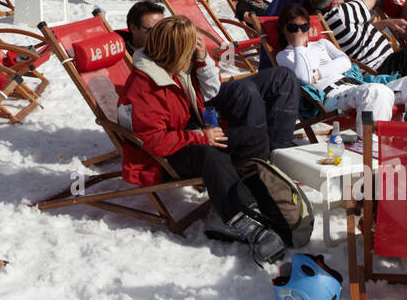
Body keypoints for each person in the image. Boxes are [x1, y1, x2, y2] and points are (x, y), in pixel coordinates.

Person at [121, 15, 285, 263]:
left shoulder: (176, 69)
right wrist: (198, 136)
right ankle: (242, 221)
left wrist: (201, 59)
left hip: (189, 134)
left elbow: (211, 91)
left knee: (252, 136)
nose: (194, 51)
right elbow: (153, 140)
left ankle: (251, 197)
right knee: (211, 155)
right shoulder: (145, 85)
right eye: (190, 48)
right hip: (164, 155)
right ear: (176, 51)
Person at [119, 2, 303, 155]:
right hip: (188, 111)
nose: (163, 34)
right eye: (153, 30)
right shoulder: (135, 61)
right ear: (133, 28)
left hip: (201, 94)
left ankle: (278, 152)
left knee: (283, 77)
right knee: (245, 91)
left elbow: (213, 88)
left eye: (163, 27)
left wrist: (201, 58)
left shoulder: (175, 42)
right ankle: (255, 156)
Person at [275, 3, 407, 125]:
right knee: (377, 92)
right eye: (293, 28)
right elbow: (304, 77)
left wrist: (317, 73)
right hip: (332, 96)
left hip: (355, 86)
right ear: (283, 29)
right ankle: (371, 146)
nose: (299, 32)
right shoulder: (284, 56)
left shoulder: (322, 44)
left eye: (304, 26)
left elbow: (345, 62)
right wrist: (298, 46)